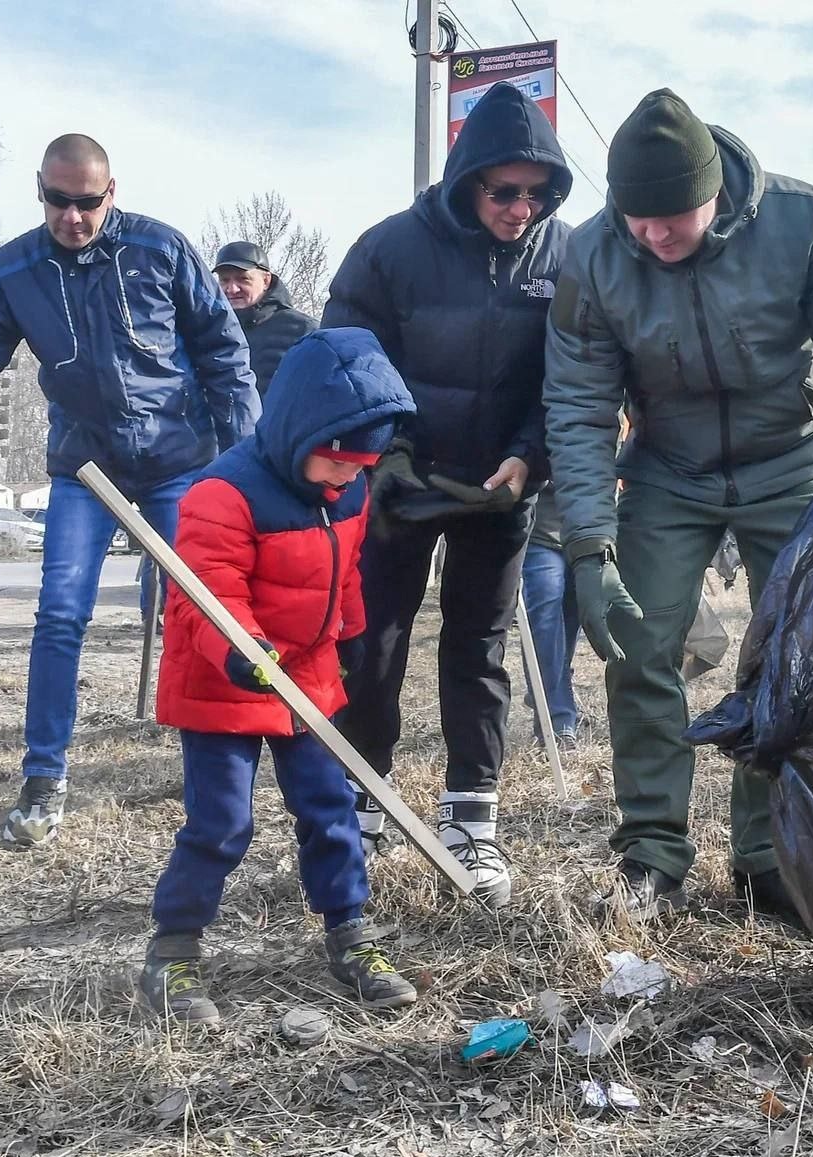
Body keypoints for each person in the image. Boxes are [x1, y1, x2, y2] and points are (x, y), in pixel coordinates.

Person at [543, 88, 813, 922]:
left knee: (798, 658)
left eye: (675, 217)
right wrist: (591, 542)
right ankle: (652, 853)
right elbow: (578, 405)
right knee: (639, 645)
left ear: (718, 191)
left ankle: (769, 854)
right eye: (638, 219)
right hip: (670, 470)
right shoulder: (594, 259)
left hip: (795, 459)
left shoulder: (801, 219)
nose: (655, 236)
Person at [0, 133, 260, 847]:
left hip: (180, 460)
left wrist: (246, 457)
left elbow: (221, 347)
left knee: (200, 609)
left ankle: (215, 762)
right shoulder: (15, 268)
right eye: (59, 201)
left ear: (111, 191)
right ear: (40, 191)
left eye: (87, 202)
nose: (73, 216)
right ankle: (44, 776)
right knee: (59, 614)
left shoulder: (160, 248)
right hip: (83, 471)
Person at [320, 82, 573, 906]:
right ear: (468, 180)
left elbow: (572, 374)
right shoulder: (391, 248)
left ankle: (472, 818)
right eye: (505, 192)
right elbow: (347, 354)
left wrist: (531, 458)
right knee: (375, 643)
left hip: (503, 488)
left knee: (479, 647)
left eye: (537, 194)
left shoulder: (565, 258)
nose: (521, 209)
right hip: (403, 482)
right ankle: (364, 796)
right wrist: (385, 450)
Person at [141, 328, 417, 1024]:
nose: (348, 479)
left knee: (331, 811)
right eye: (337, 465)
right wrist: (245, 650)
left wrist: (351, 633)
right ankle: (172, 954)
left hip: (308, 679)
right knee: (222, 823)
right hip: (225, 682)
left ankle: (350, 935)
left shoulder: (349, 493)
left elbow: (344, 572)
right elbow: (207, 594)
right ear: (302, 432)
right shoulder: (221, 493)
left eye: (362, 467)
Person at [213, 241, 318, 398]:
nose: (232, 289)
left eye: (243, 279)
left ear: (266, 281)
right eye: (224, 280)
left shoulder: (303, 330)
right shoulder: (210, 331)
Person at [520, 481, 581, 747]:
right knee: (544, 620)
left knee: (570, 624)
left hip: (588, 533)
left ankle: (544, 691)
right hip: (540, 528)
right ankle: (559, 719)